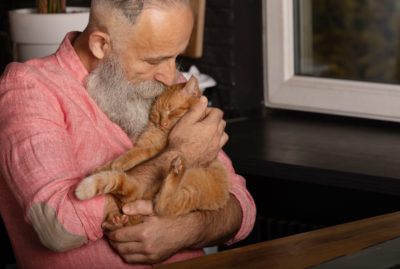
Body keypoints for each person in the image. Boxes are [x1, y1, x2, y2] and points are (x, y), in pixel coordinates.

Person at [0, 0, 256, 268]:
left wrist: (187, 230)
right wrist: (179, 154)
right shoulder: (29, 88)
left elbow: (242, 206)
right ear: (101, 45)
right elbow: (58, 227)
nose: (171, 77)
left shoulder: (173, 88)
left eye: (176, 58)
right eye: (153, 60)